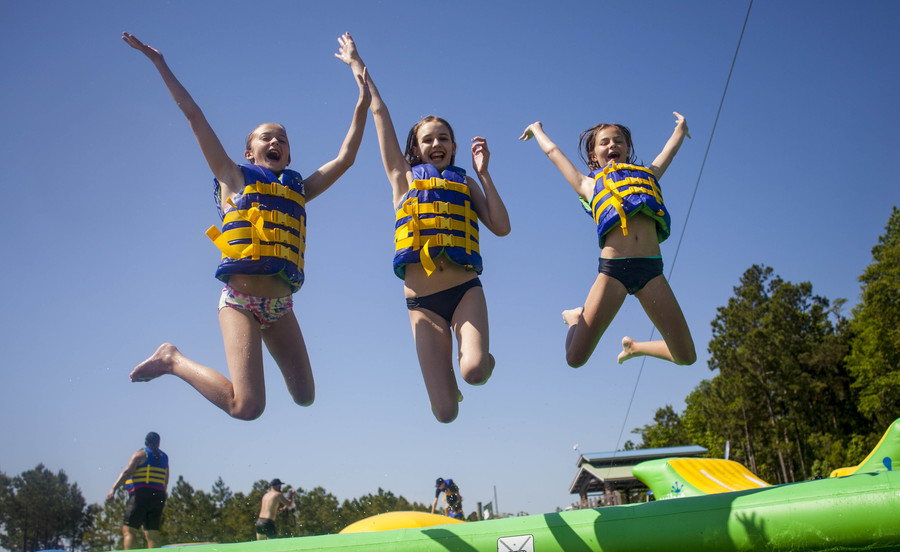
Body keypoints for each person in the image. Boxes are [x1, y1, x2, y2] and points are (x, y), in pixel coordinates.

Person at [123, 32, 370, 420]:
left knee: (305, 397)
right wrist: (160, 63)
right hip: (239, 302)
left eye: (283, 139)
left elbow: (347, 157)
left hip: (280, 305)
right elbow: (194, 114)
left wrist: (363, 96)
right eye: (266, 137)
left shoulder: (299, 189)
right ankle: (172, 360)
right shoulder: (232, 175)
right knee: (247, 407)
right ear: (249, 152)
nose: (276, 141)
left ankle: (255, 348)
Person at [335, 34, 511, 423]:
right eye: (427, 138)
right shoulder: (404, 180)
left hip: (465, 290)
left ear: (452, 146)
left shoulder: (464, 183)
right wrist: (355, 64)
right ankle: (454, 381)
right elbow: (380, 115)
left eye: (443, 138)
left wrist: (484, 175)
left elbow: (501, 227)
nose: (436, 143)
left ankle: (481, 357)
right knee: (445, 413)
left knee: (475, 372)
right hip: (423, 305)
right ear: (415, 147)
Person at [519, 115, 696, 368]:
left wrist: (680, 129)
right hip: (614, 272)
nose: (612, 145)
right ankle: (574, 318)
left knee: (687, 357)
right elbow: (553, 152)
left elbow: (670, 151)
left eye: (618, 141)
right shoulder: (587, 184)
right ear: (593, 154)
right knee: (574, 359)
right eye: (604, 143)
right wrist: (537, 131)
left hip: (652, 271)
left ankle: (636, 347)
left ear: (627, 149)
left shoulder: (648, 175)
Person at [107, 432, 169, 549]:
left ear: (146, 442)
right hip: (159, 497)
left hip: (141, 496)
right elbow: (165, 480)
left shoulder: (139, 455)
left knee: (129, 531)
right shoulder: (165, 458)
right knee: (153, 534)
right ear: (158, 443)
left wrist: (113, 489)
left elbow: (127, 473)